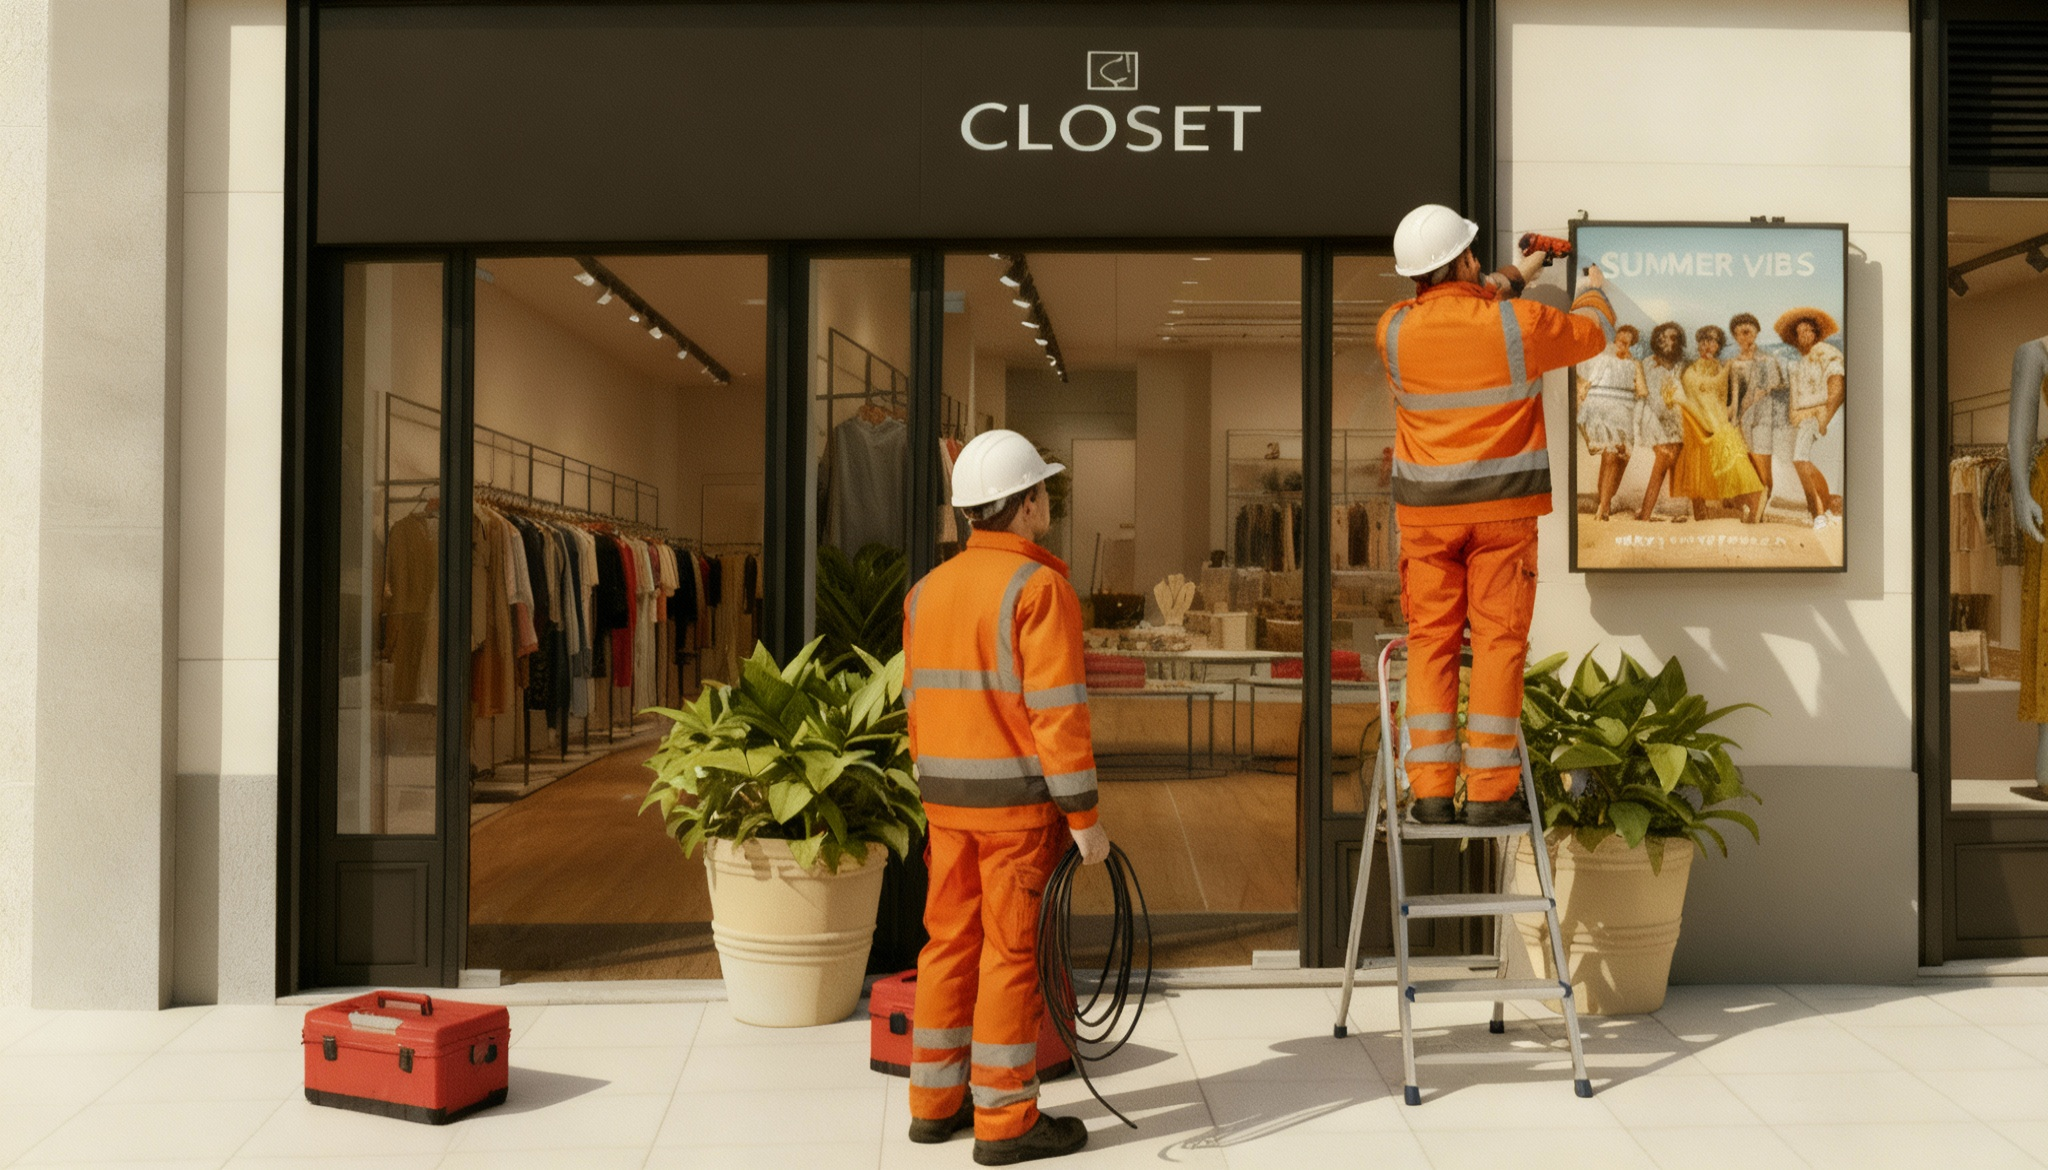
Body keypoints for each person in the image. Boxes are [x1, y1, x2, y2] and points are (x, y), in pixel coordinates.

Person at [900, 429, 1108, 1166]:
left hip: (946, 808)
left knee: (947, 945)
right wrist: (1084, 818)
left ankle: (934, 1104)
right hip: (1017, 813)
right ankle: (1006, 1118)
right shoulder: (1040, 588)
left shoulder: (927, 591)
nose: (1048, 500)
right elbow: (1059, 713)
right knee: (1011, 957)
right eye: (1044, 490)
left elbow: (915, 707)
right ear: (1025, 505)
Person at [1379, 204, 1616, 825]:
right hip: (1502, 518)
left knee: (1431, 643)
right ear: (1463, 260)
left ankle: (1429, 793)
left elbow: (1466, 305)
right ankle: (1489, 796)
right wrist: (1592, 291)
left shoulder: (1393, 331)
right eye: (1472, 255)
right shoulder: (1522, 324)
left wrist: (1521, 270)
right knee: (1497, 644)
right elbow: (1590, 333)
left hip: (1427, 520)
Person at [1673, 324, 1765, 522]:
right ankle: (1701, 511)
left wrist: (1726, 417)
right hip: (1696, 420)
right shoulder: (1691, 369)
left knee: (1731, 445)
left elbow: (1723, 398)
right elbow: (1701, 389)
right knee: (1698, 455)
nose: (1708, 345)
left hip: (1716, 418)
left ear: (1718, 346)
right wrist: (1728, 370)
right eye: (1705, 340)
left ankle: (1752, 499)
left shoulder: (1721, 367)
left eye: (1714, 341)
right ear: (1699, 343)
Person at [1778, 307, 1847, 528]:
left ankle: (1820, 512)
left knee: (1802, 459)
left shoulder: (1827, 352)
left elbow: (1837, 387)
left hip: (1827, 416)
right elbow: (1795, 399)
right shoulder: (1798, 364)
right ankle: (1818, 510)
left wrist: (1824, 419)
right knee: (1800, 461)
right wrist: (1796, 416)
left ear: (1816, 332)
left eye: (1808, 330)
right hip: (1806, 419)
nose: (1804, 335)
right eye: (1800, 332)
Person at [1576, 324, 1646, 521]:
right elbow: (1583, 382)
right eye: (1620, 339)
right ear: (1615, 339)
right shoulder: (1600, 359)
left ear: (1631, 344)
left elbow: (1641, 392)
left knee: (1620, 458)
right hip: (1601, 412)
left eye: (1627, 341)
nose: (1622, 344)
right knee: (1611, 455)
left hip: (1624, 413)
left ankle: (1603, 502)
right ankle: (1604, 507)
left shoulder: (1633, 364)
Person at [1728, 312, 1791, 511]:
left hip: (1764, 418)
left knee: (1763, 467)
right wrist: (1734, 420)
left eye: (1747, 332)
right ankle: (1751, 508)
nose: (1743, 337)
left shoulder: (1768, 360)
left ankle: (1759, 510)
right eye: (1738, 333)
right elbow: (1735, 395)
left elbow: (1775, 390)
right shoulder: (1735, 363)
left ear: (1756, 333)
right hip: (1743, 419)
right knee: (1746, 467)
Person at [1635, 322, 1689, 521]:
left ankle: (1646, 513)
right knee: (1664, 460)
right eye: (1663, 337)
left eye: (1673, 337)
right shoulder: (1647, 364)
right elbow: (1642, 396)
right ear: (1657, 340)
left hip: (1678, 423)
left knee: (1684, 462)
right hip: (1654, 422)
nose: (1668, 342)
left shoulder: (1681, 366)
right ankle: (1646, 513)